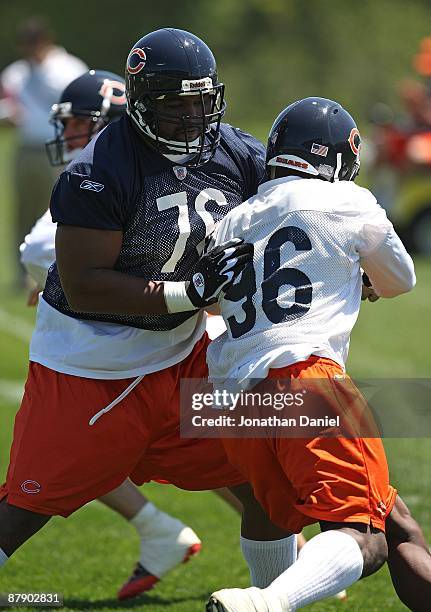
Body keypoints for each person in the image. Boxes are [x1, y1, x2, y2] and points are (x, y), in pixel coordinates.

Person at [0, 27, 286, 598]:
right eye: (173, 103)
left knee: (265, 480)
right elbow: (85, 287)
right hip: (91, 369)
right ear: (141, 101)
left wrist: (346, 259)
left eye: (199, 101)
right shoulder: (99, 167)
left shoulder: (233, 150)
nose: (188, 117)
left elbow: (291, 206)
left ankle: (271, 600)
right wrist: (189, 292)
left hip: (182, 356)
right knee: (24, 510)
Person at [205, 97, 418, 611]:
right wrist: (360, 276)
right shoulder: (348, 201)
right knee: (366, 535)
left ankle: (265, 601)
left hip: (231, 398)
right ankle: (264, 604)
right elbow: (400, 279)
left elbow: (213, 299)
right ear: (337, 158)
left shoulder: (232, 221)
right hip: (305, 376)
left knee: (269, 515)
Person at [19, 68, 204, 601]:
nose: (71, 134)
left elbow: (38, 251)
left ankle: (309, 552)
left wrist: (60, 278)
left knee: (226, 448)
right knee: (224, 452)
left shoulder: (99, 174)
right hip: (186, 326)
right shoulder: (176, 165)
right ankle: (295, 552)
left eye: (79, 122)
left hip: (156, 338)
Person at [0, 16, 87, 281]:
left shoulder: (69, 69)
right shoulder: (16, 73)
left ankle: (58, 269)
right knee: (23, 212)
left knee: (59, 210)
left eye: (33, 43)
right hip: (26, 148)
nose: (30, 49)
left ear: (45, 41)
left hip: (60, 149)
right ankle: (22, 274)